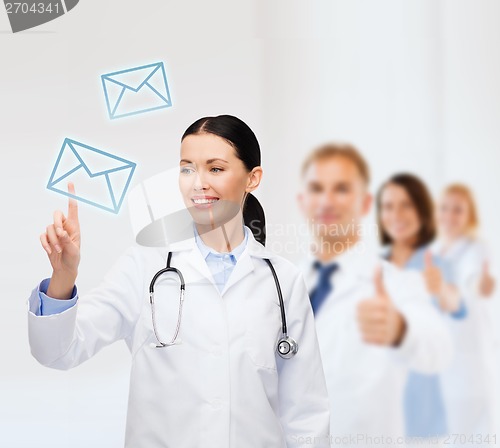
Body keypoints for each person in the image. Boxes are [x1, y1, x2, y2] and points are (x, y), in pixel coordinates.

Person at [28, 115, 330, 448]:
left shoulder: (282, 280)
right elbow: (58, 352)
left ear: (252, 178)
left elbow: (305, 412)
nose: (197, 183)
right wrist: (64, 278)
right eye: (187, 169)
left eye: (215, 169)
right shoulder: (146, 264)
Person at [297, 143, 453, 446]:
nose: (327, 201)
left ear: (366, 203)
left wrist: (400, 330)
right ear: (303, 201)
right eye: (317, 188)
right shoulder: (283, 283)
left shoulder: (396, 282)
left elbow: (439, 348)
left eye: (341, 189)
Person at [376, 173, 466, 442]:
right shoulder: (373, 266)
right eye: (389, 206)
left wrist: (442, 291)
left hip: (423, 408)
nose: (396, 215)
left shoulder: (435, 263)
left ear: (422, 210)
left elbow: (457, 305)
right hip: (379, 403)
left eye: (406, 205)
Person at [433, 183, 497, 445]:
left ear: (470, 215)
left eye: (458, 210)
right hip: (442, 365)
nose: (449, 216)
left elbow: (476, 279)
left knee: (469, 435)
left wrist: (480, 284)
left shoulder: (477, 249)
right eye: (444, 208)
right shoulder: (434, 253)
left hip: (469, 367)